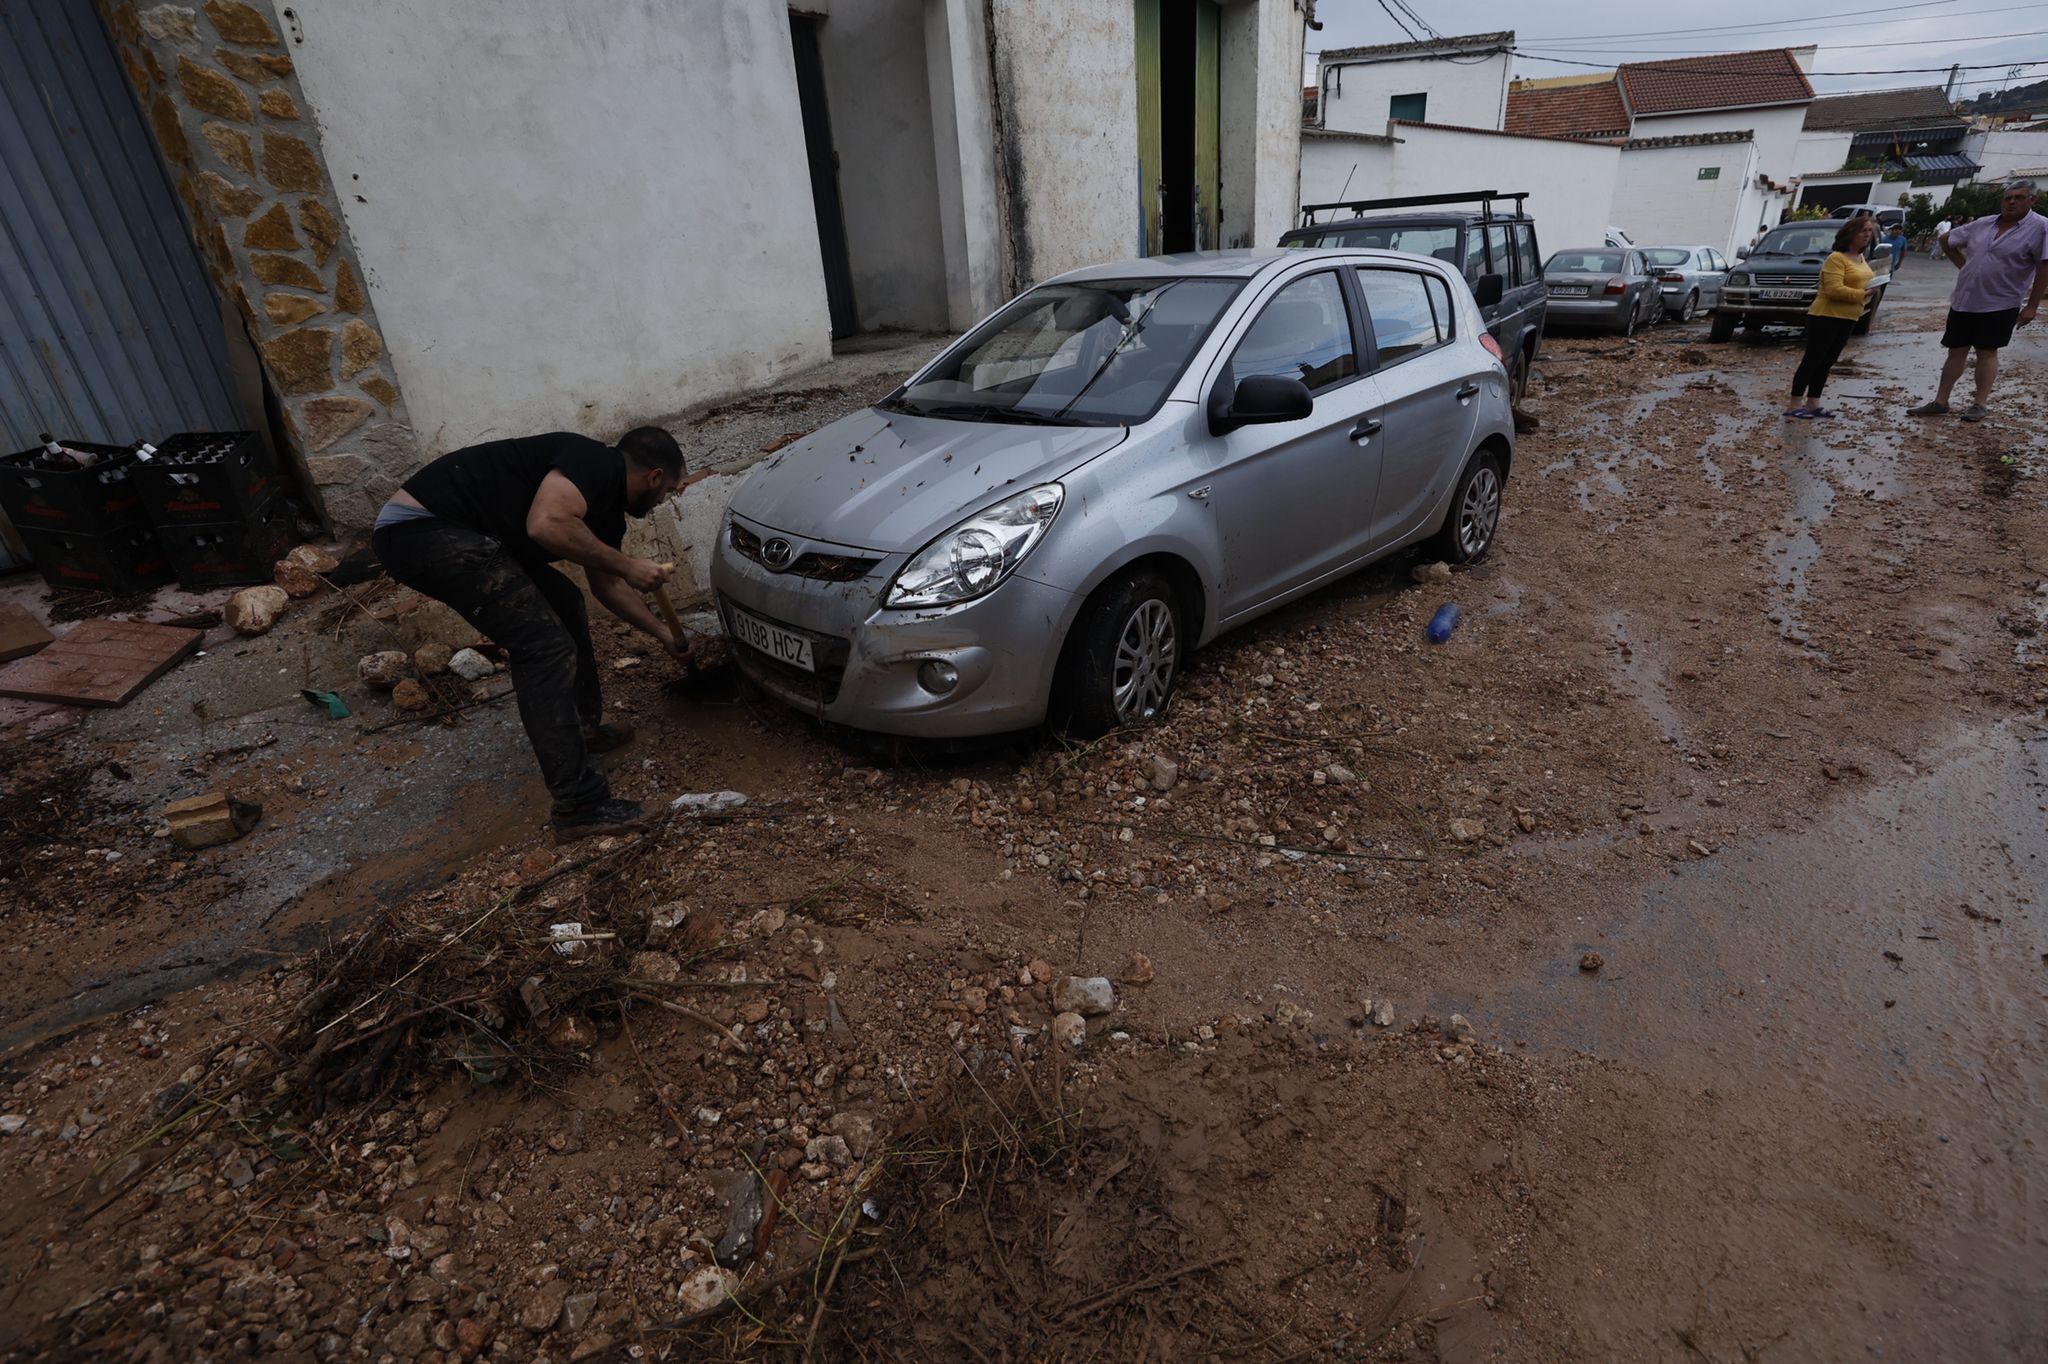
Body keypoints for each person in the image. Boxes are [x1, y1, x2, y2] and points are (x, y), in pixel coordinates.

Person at [370, 428, 699, 840]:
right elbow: (546, 525)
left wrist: (664, 634)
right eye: (668, 489)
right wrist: (630, 564)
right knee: (544, 646)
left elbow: (608, 585)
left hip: (454, 533)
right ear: (653, 477)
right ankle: (579, 805)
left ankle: (581, 728)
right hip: (421, 529)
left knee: (564, 600)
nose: (663, 500)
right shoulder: (594, 461)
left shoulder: (607, 511)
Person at [1907, 180, 2048, 423]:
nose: (2012, 201)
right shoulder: (1983, 223)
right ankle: (1940, 401)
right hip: (1965, 299)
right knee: (1956, 351)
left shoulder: (2041, 228)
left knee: (1986, 352)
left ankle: (1979, 403)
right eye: (2008, 197)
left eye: (2019, 197)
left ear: (2032, 200)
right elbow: (1946, 241)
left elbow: (2044, 266)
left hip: (2001, 302)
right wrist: (1964, 267)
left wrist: (2032, 305)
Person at [1787, 215, 1878, 419]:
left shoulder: (1861, 259)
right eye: (1863, 230)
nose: (1866, 235)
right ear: (1850, 233)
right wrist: (1862, 294)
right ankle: (1794, 403)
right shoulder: (1837, 258)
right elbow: (1833, 289)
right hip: (1826, 316)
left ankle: (1813, 402)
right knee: (1813, 359)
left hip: (1849, 317)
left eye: (1870, 231)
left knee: (1828, 360)